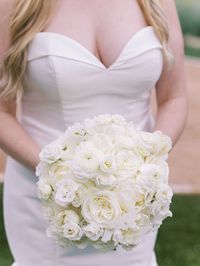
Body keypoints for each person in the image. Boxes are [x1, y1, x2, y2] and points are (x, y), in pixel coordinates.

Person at [0, 0, 188, 265]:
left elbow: (174, 98)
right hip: (44, 198)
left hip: (131, 201)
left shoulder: (157, 3)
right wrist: (56, 172)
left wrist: (143, 166)